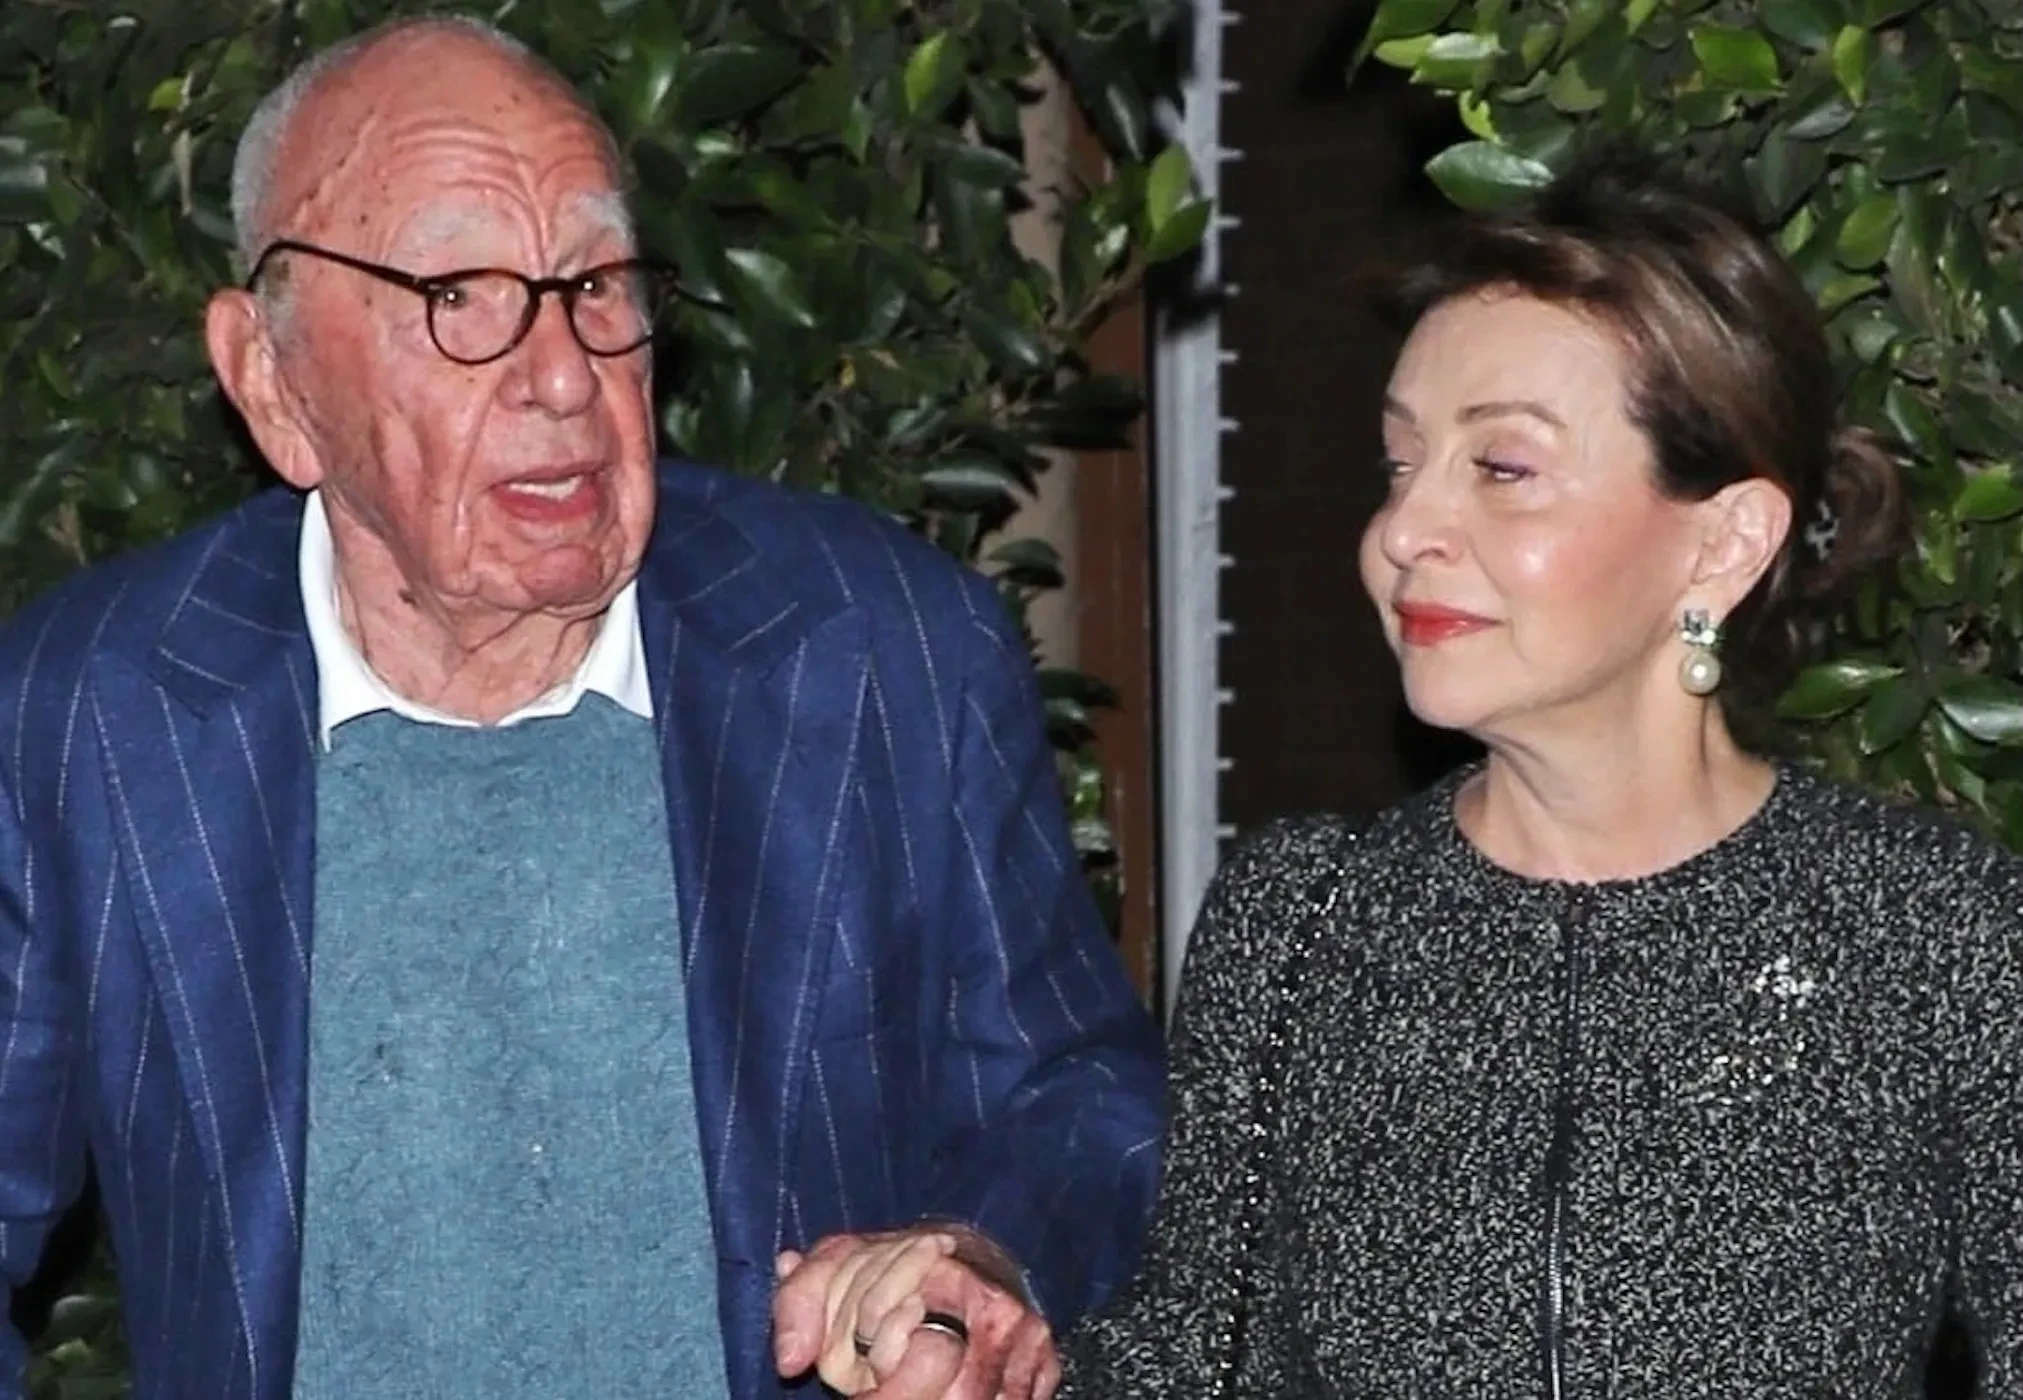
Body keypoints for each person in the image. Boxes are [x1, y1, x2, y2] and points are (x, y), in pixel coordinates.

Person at [0, 16, 1163, 1400]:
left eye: (597, 286)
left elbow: (1080, 1095)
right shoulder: (94, 715)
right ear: (272, 378)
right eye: (459, 297)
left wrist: (982, 1258)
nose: (563, 376)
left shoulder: (881, 653)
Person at [1051, 148, 2023, 1393]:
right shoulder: (1302, 917)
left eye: (1501, 468)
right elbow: (1190, 1358)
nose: (1404, 530)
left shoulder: (1929, 929)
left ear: (1723, 542)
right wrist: (978, 1359)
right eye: (1398, 464)